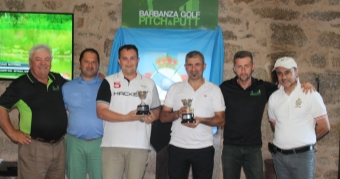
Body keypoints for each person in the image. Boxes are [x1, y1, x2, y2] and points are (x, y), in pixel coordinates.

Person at [220, 51, 315, 179]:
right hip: (230, 148)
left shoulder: (263, 87)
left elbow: (286, 85)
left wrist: (303, 84)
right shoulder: (225, 88)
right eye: (239, 66)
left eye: (246, 66)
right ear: (234, 68)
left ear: (252, 67)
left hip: (253, 148)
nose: (243, 70)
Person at [0, 44, 68, 179]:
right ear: (30, 62)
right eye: (38, 59)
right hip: (34, 149)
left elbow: (77, 88)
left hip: (59, 147)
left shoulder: (57, 79)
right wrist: (13, 133)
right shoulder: (21, 84)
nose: (43, 63)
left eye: (47, 59)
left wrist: (98, 78)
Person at [96, 44, 161, 179]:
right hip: (112, 144)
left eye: (132, 58)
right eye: (125, 58)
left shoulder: (149, 83)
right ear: (119, 61)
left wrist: (153, 116)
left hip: (139, 145)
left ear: (138, 60)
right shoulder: (108, 81)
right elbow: (101, 112)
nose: (129, 62)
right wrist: (127, 117)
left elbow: (156, 109)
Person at [160, 50, 225, 179]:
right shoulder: (175, 88)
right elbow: (163, 117)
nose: (193, 69)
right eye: (190, 65)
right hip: (177, 147)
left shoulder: (214, 90)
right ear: (185, 67)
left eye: (197, 64)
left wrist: (201, 120)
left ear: (204, 66)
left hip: (203, 148)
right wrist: (177, 114)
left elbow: (221, 120)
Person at [268, 57, 330, 179]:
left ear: (296, 72)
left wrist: (307, 140)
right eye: (279, 73)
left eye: (287, 72)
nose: (283, 77)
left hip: (302, 157)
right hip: (279, 157)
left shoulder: (310, 94)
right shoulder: (273, 98)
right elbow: (275, 125)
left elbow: (324, 127)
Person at [62, 48, 103, 179]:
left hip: (100, 143)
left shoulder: (107, 86)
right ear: (79, 63)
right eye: (86, 61)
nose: (90, 65)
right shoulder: (67, 87)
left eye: (94, 62)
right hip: (75, 143)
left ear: (98, 65)